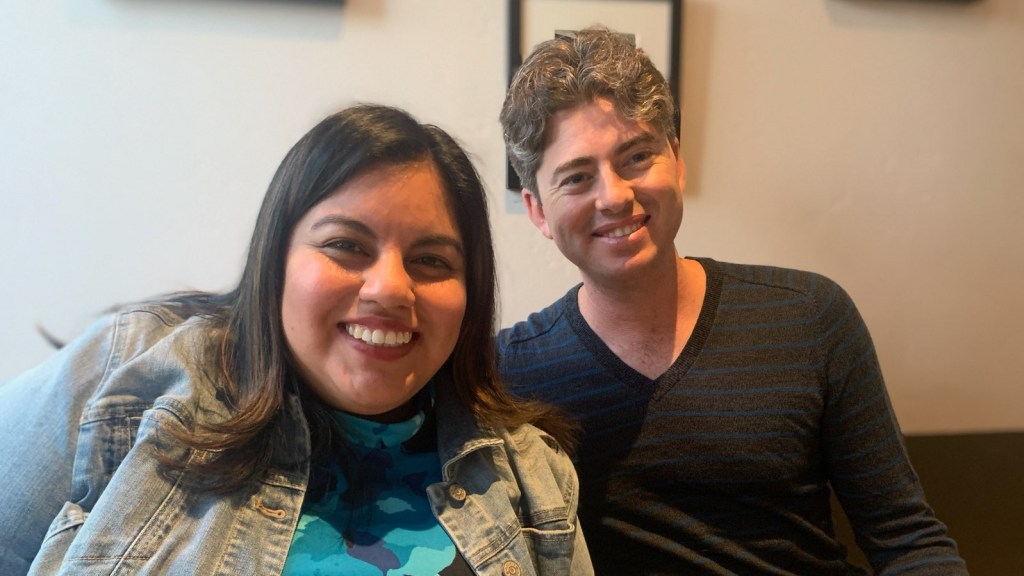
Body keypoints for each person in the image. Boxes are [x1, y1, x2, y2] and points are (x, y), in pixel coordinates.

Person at [0, 104, 593, 576]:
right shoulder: (127, 374)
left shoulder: (532, 476)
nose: (390, 288)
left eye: (432, 260)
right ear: (276, 258)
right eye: (346, 245)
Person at [497, 27, 967, 575]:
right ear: (537, 211)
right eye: (577, 177)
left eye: (637, 156)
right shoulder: (511, 373)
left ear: (676, 159)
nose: (615, 196)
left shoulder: (810, 318)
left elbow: (908, 541)